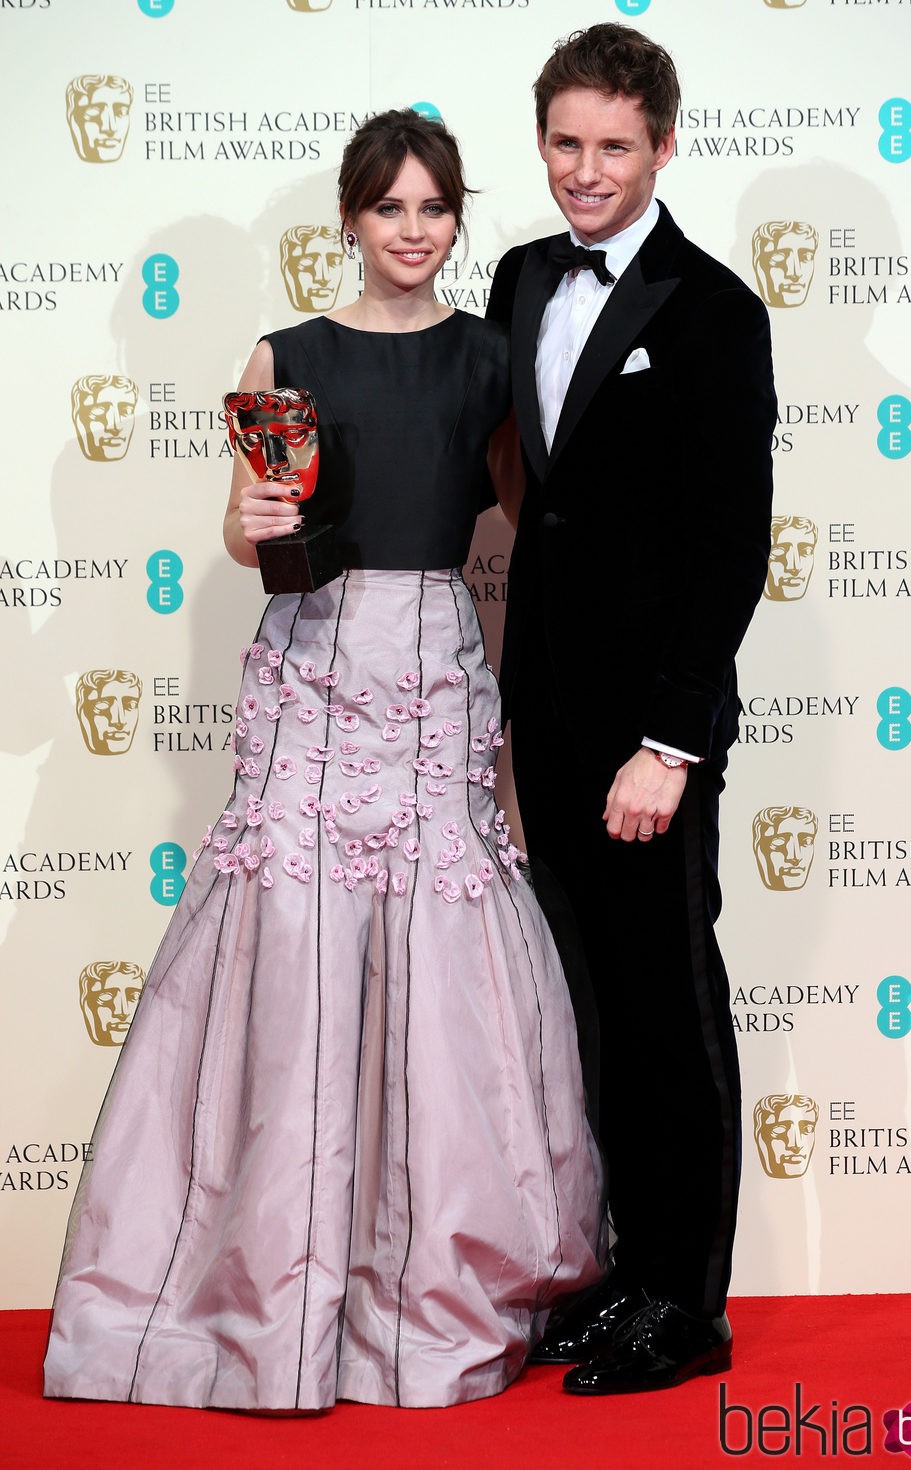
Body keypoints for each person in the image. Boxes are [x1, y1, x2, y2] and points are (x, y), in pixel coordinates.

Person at [44, 109, 604, 1415]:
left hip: (432, 679)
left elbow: (535, 528)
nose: (413, 232)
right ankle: (265, 1306)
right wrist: (245, 523)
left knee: (439, 975)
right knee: (291, 959)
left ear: (457, 220)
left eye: (434, 209)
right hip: (311, 666)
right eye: (390, 208)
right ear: (348, 219)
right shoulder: (283, 354)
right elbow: (256, 543)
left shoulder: (488, 358)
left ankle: (418, 1293)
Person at [485, 25, 777, 1394]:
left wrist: (672, 742)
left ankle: (690, 1303)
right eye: (564, 143)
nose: (585, 172)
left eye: (613, 146)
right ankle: (622, 1271)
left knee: (669, 998)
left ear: (664, 145)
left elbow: (730, 544)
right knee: (588, 1006)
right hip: (541, 712)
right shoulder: (520, 275)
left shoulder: (715, 310)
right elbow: (512, 482)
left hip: (646, 737)